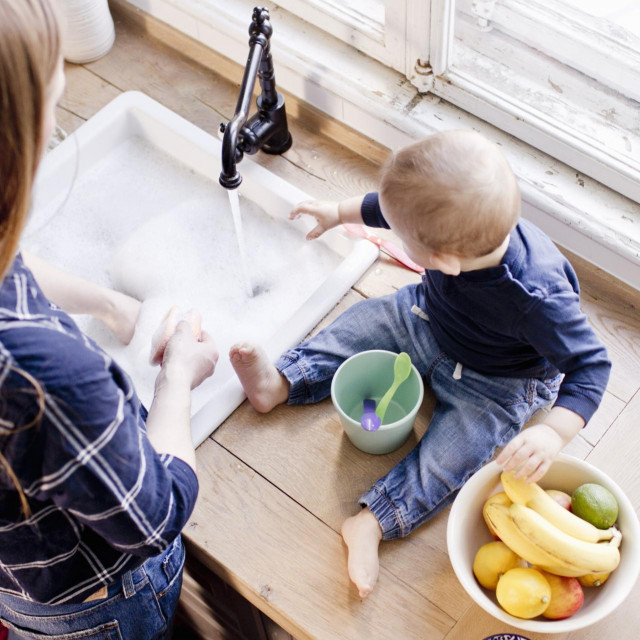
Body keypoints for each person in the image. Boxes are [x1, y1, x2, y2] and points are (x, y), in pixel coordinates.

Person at [229, 130, 611, 598]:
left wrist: (552, 431)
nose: (389, 230)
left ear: (445, 262)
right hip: (426, 320)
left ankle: (372, 521)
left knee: (455, 453)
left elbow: (593, 366)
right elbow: (390, 209)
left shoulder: (537, 298)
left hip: (498, 382)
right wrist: (338, 212)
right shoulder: (453, 236)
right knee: (364, 321)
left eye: (402, 238)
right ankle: (283, 381)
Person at [0, 1, 218, 637]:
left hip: (20, 582)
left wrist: (108, 303)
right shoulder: (40, 376)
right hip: (95, 604)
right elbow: (155, 516)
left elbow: (13, 263)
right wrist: (176, 375)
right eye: (53, 80)